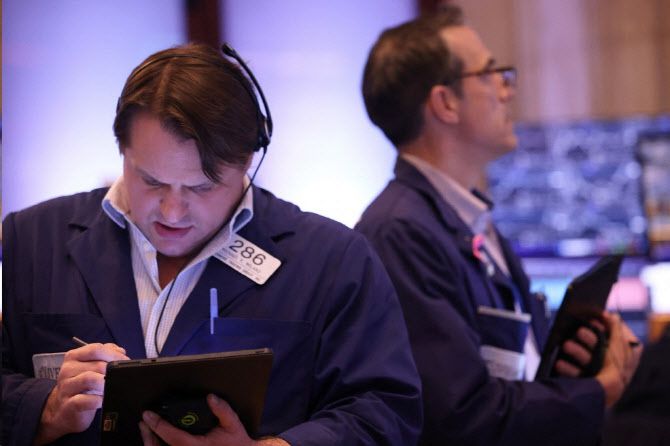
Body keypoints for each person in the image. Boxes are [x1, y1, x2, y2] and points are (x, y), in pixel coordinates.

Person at [1, 43, 423, 446]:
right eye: (151, 181)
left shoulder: (333, 260)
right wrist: (43, 409)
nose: (172, 212)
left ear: (249, 161)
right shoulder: (32, 239)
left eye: (202, 187)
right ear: (122, 150)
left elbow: (385, 412)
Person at [355, 7, 641, 446]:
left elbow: (511, 371)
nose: (507, 90)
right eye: (490, 74)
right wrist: (596, 392)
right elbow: (462, 416)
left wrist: (571, 365)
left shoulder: (468, 220)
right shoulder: (400, 233)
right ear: (445, 103)